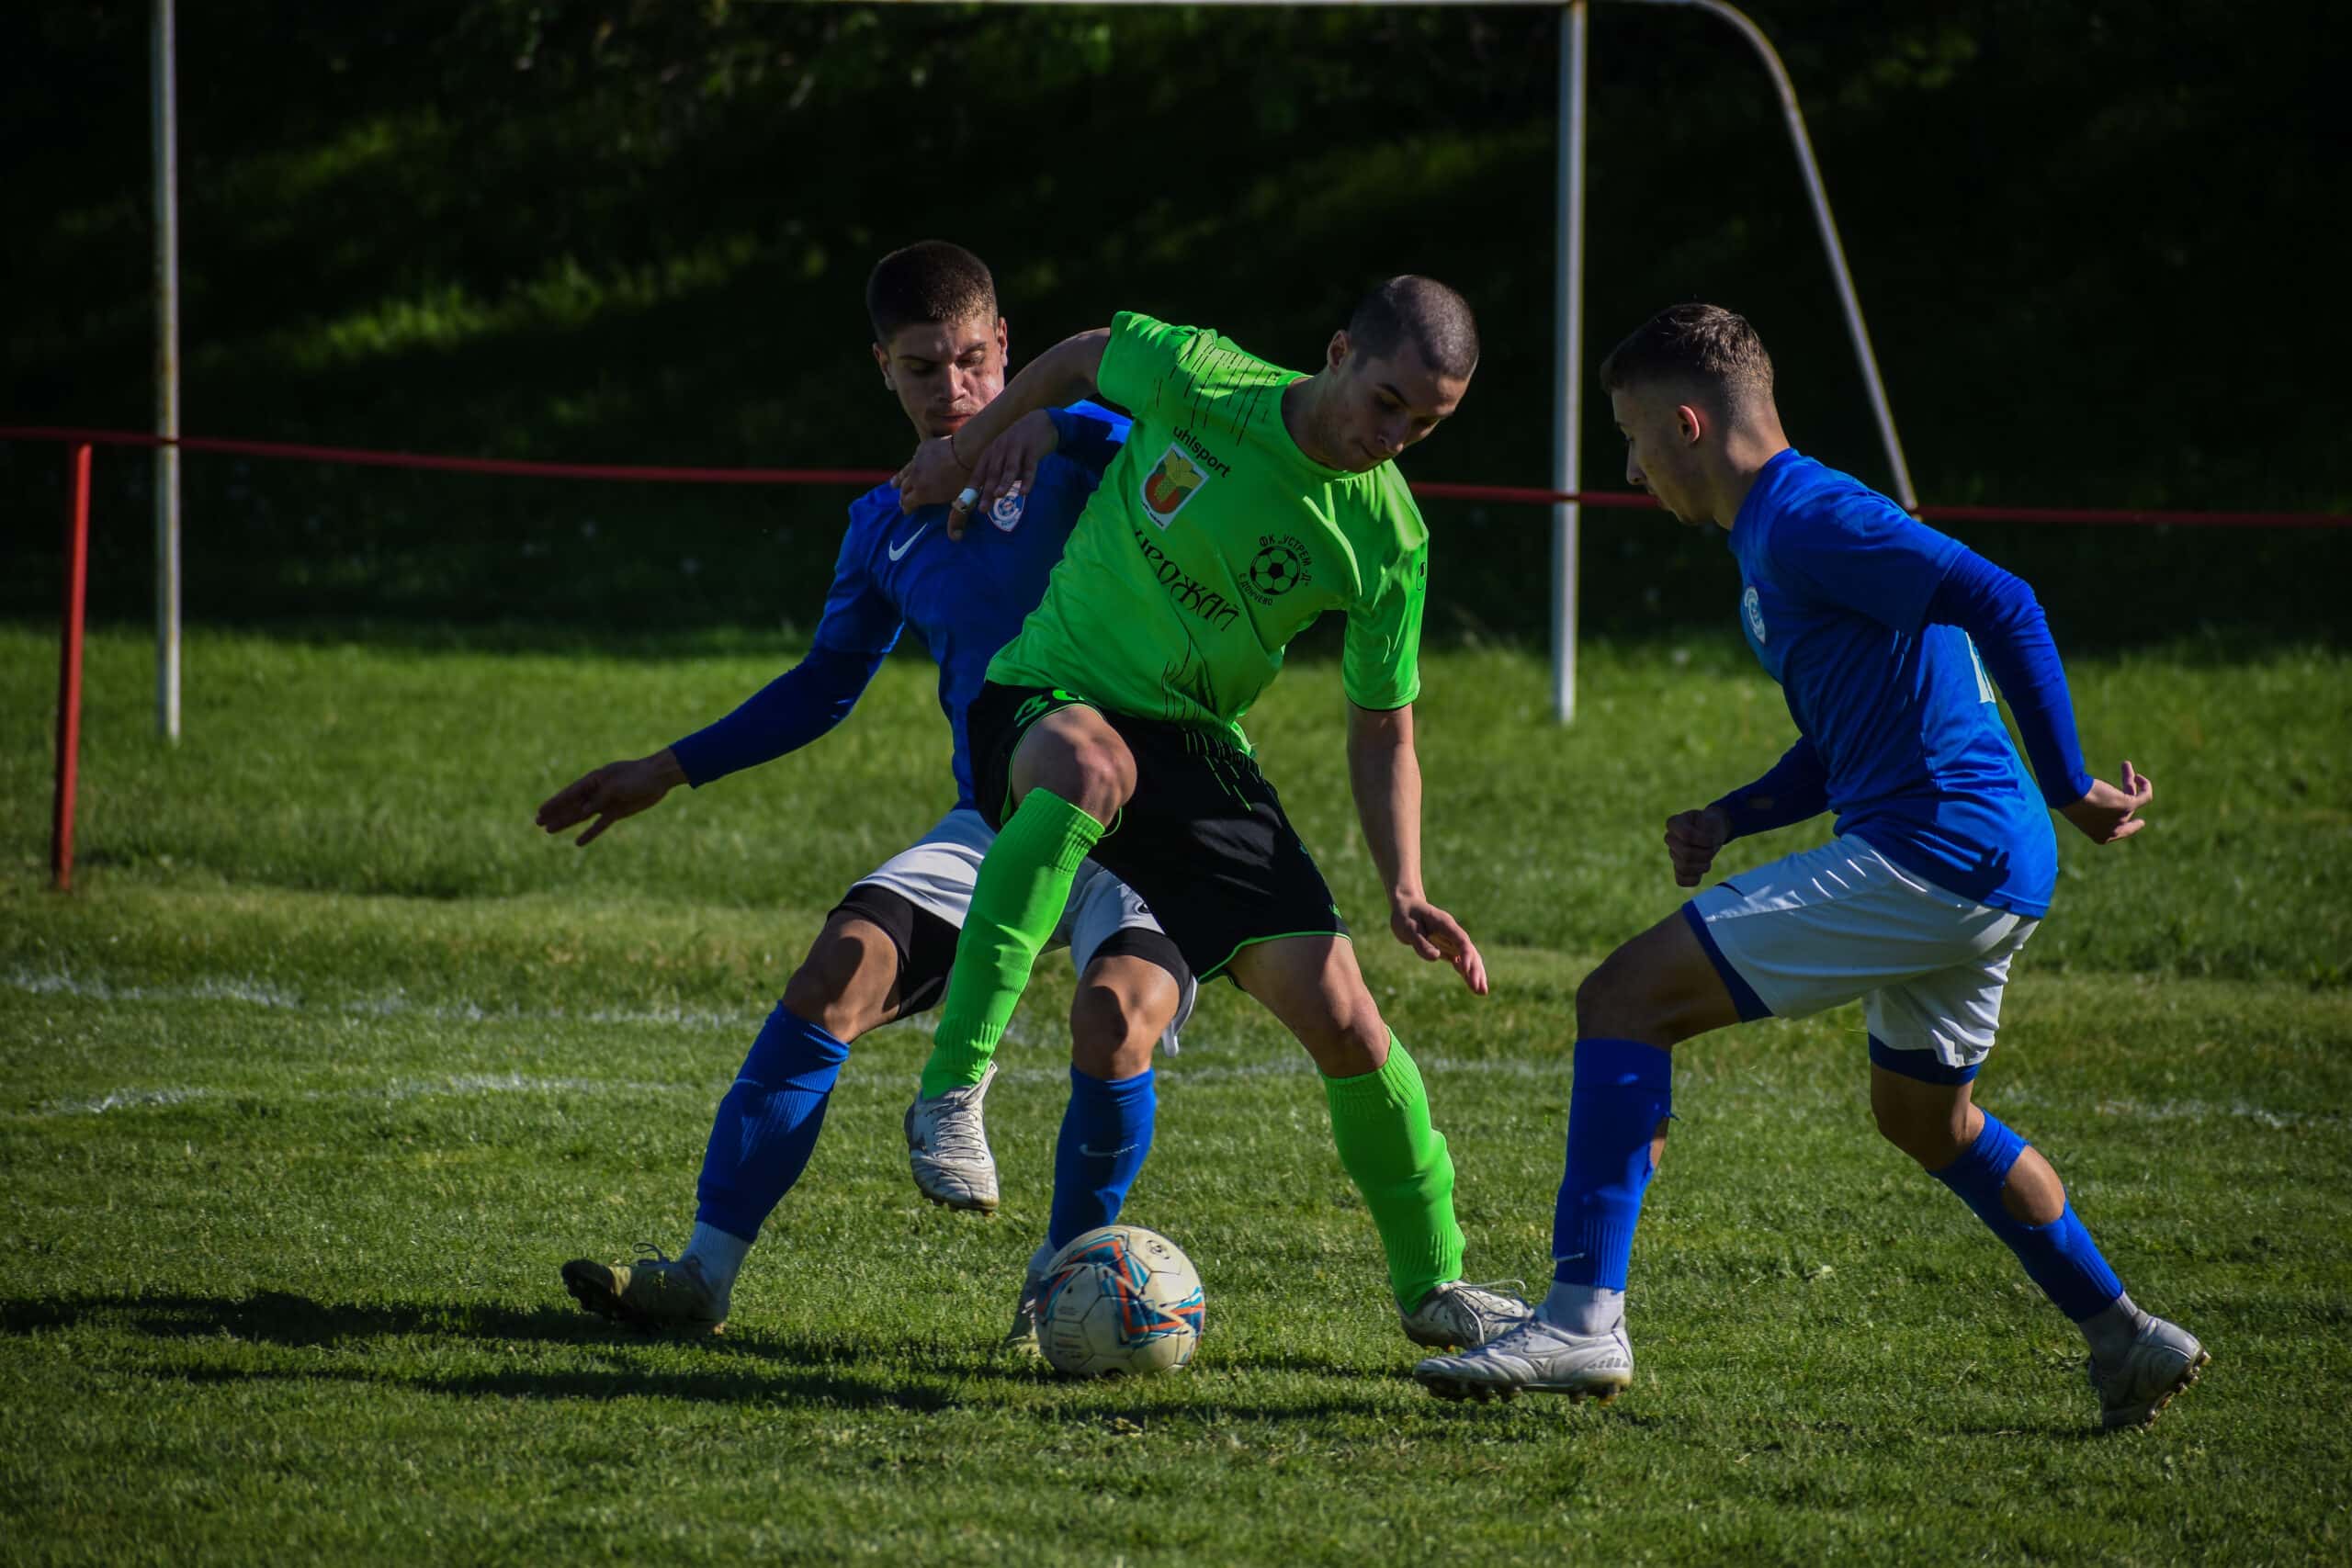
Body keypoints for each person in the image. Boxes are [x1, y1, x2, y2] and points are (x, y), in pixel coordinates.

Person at [1411, 302, 2206, 1429]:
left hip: (1940, 848)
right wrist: (1734, 814)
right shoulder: (1779, 533)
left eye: (1632, 438)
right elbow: (1853, 726)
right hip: (1979, 859)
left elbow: (2003, 599)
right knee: (1928, 1122)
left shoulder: (1806, 518)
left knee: (1623, 1000)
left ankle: (1581, 1320)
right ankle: (2125, 1335)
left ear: (1687, 423)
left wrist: (2071, 782)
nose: (1630, 471)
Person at [541, 241, 1196, 1338]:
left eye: (977, 362)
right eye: (923, 369)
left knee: (1113, 1017)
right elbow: (822, 689)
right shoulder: (884, 521)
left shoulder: (1087, 454)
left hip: (1142, 819)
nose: (956, 391)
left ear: (1008, 350)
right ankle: (700, 1275)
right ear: (881, 370)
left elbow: (1197, 441)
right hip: (996, 817)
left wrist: (1057, 420)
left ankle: (1060, 1293)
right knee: (835, 969)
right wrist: (666, 768)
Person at [890, 277, 1530, 1351]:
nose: (1396, 436)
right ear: (1336, 351)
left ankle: (1434, 1288)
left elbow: (1384, 728)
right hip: (1051, 691)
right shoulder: (1202, 377)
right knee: (1089, 769)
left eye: (1426, 424)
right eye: (1386, 402)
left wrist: (1405, 886)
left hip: (1192, 749)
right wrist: (965, 453)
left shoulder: (1386, 542)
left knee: (1345, 1017)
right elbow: (1078, 359)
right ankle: (952, 1091)